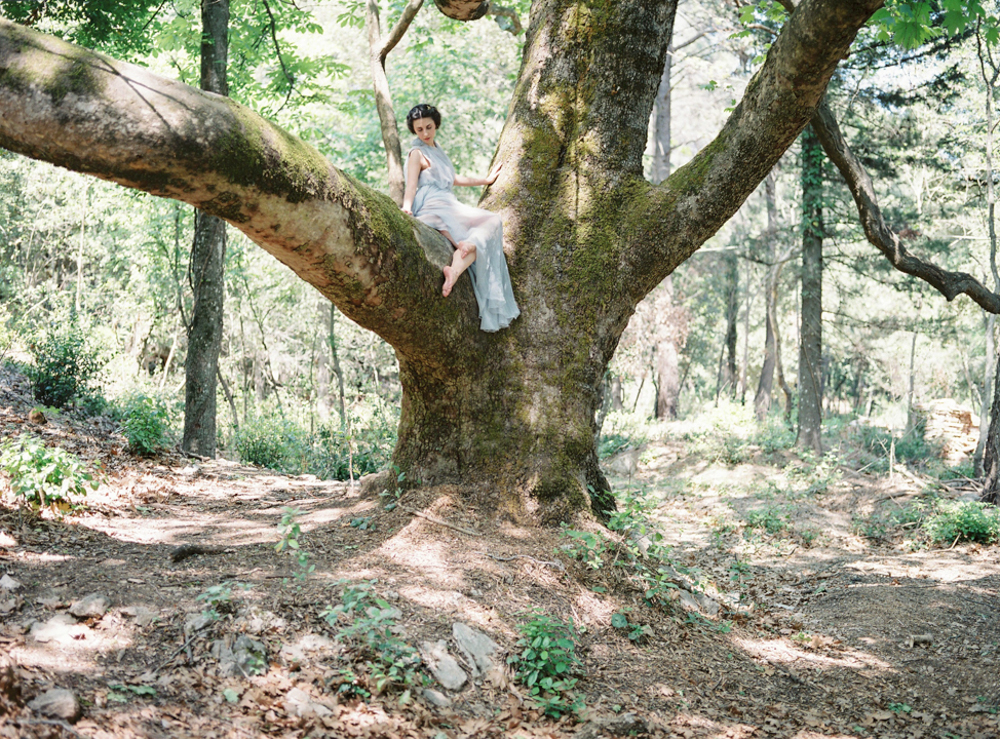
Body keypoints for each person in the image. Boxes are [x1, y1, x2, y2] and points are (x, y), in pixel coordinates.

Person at [401, 103, 520, 332]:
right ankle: (463, 246)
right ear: (413, 131)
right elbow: (411, 186)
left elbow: (453, 178)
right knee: (484, 230)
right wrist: (407, 208)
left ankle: (453, 271)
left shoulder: (437, 149)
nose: (425, 134)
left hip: (448, 202)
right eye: (419, 130)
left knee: (487, 229)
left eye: (429, 127)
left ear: (436, 125)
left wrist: (485, 181)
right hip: (433, 204)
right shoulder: (417, 153)